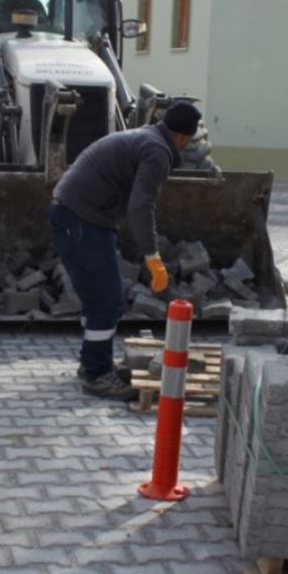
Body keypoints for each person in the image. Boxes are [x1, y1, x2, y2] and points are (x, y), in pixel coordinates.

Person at [49, 102, 203, 400]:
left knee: (99, 297)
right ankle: (96, 374)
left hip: (76, 215)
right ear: (184, 137)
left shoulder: (145, 138)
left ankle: (94, 362)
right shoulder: (158, 151)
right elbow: (141, 204)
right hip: (82, 219)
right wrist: (152, 256)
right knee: (107, 300)